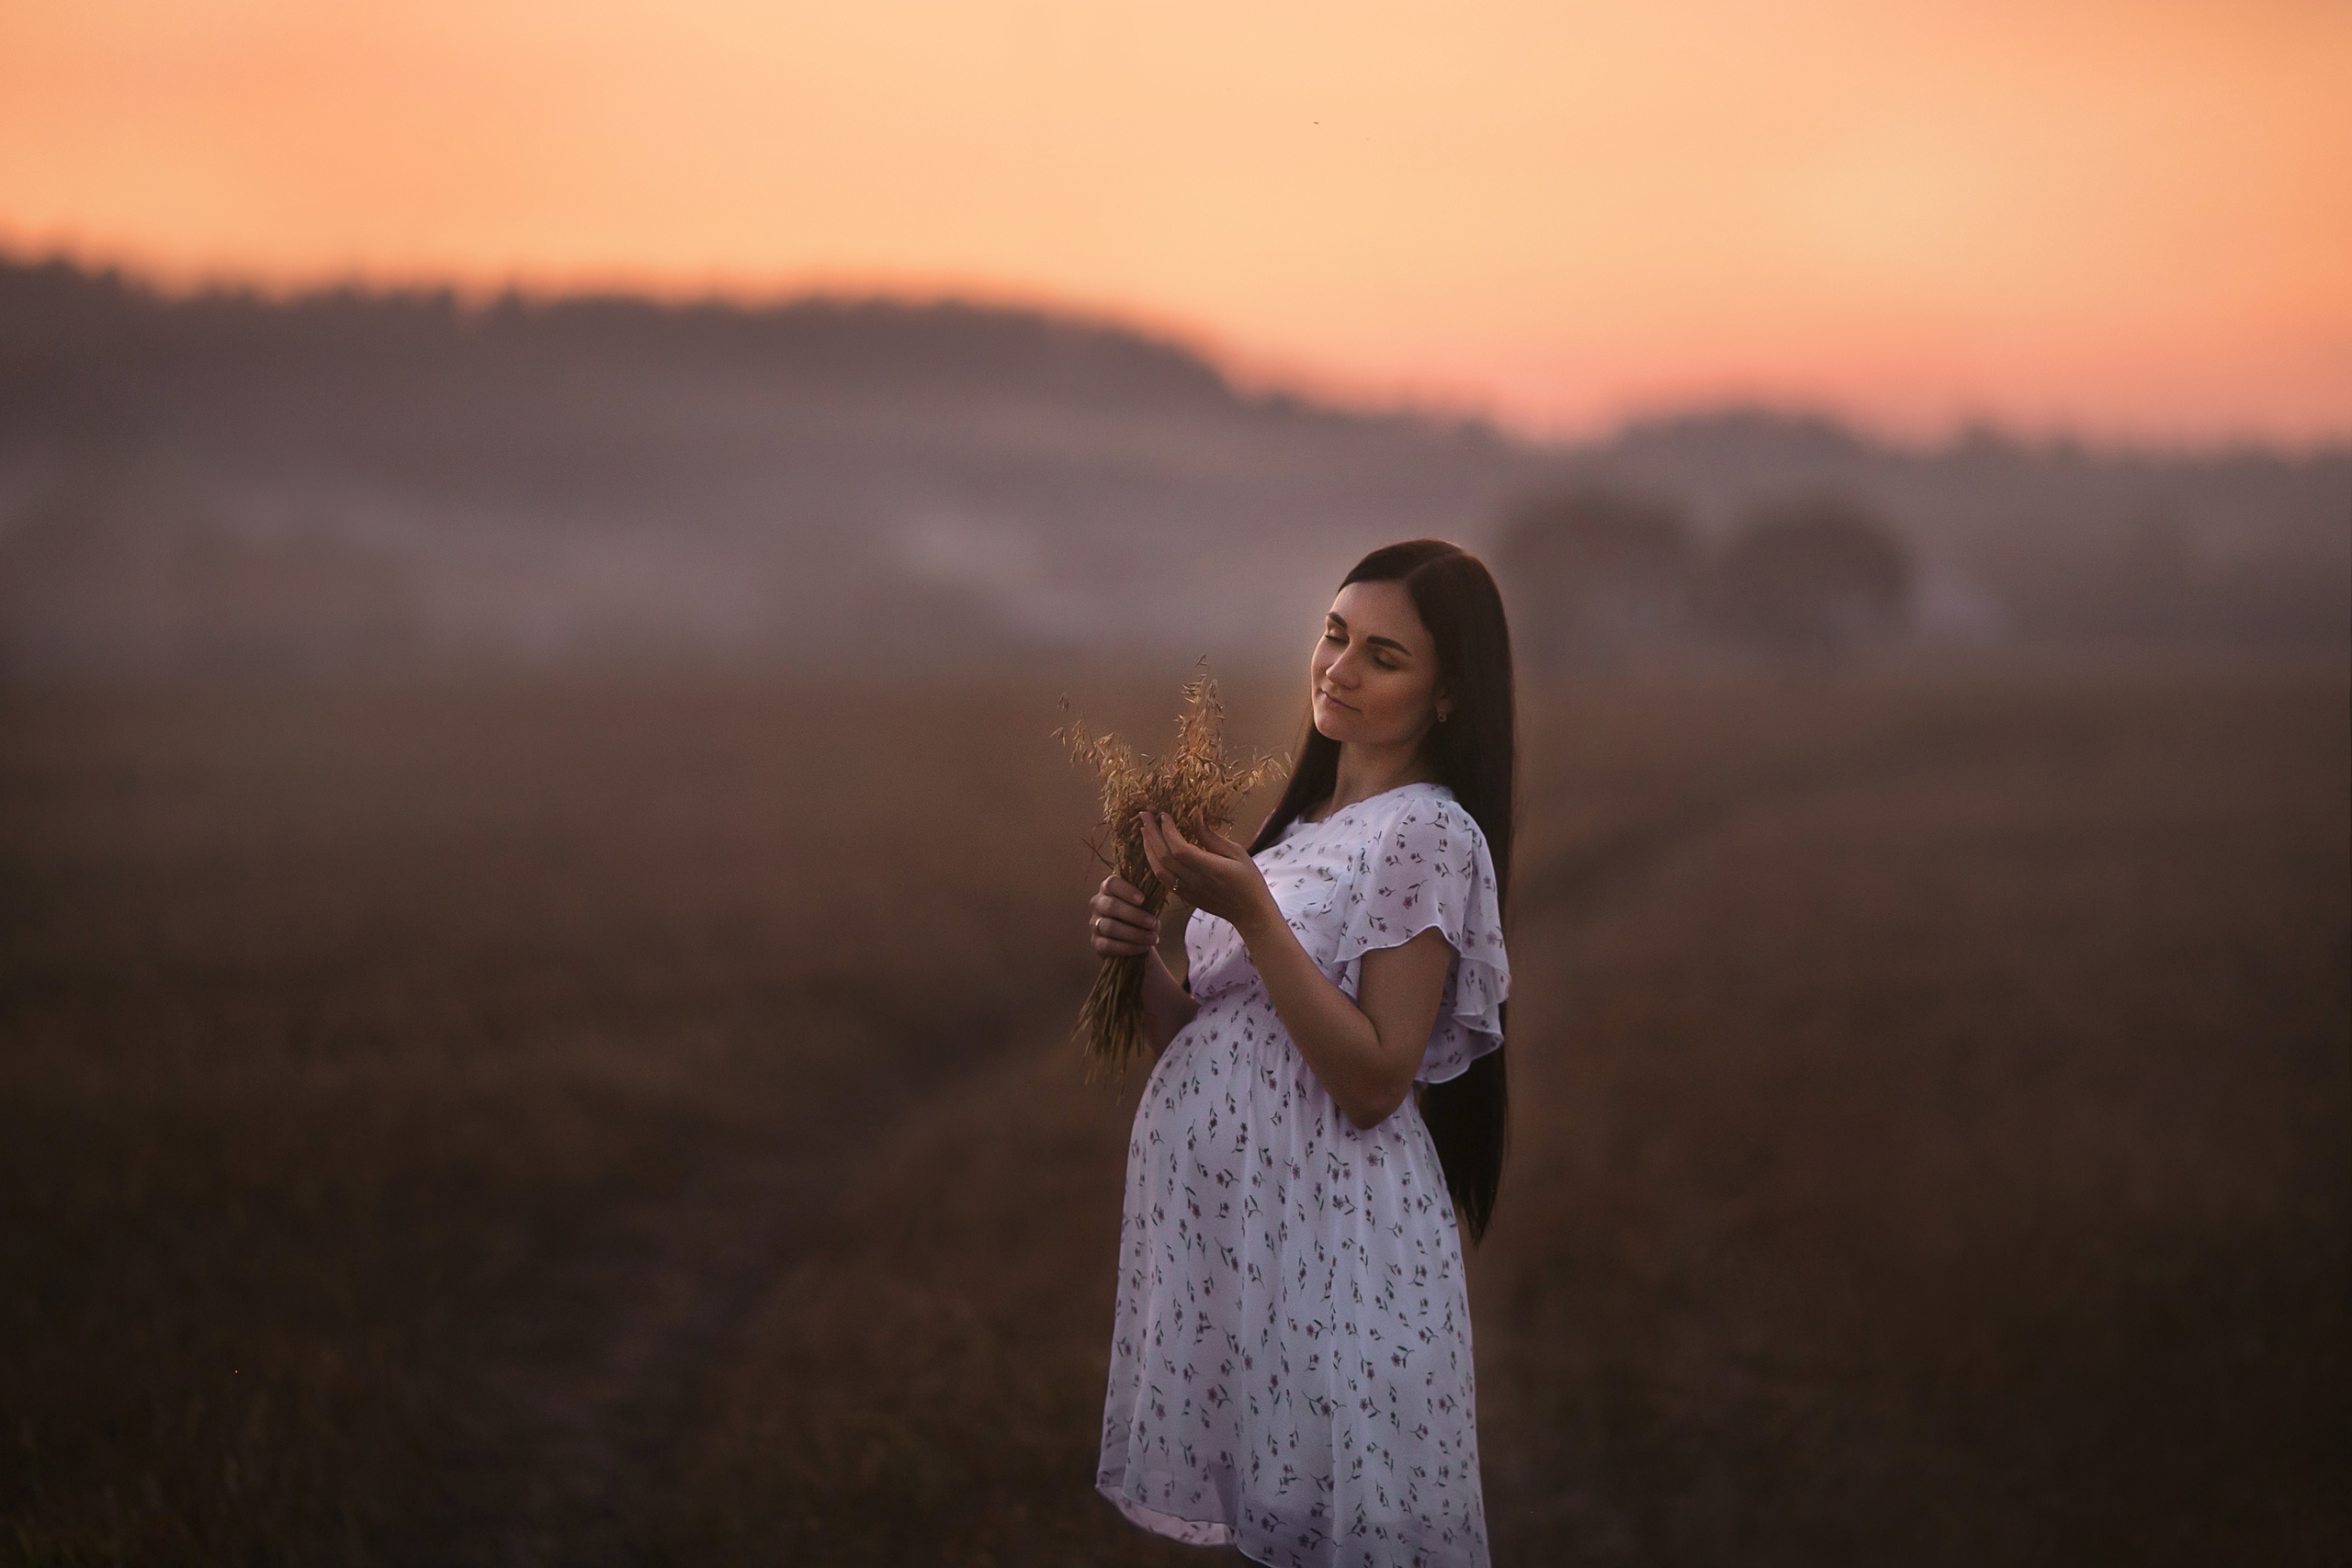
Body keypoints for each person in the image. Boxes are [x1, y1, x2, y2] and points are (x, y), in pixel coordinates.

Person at [1087, 539, 1515, 1567]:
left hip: (1341, 1242)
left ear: (1448, 695)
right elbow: (1208, 1048)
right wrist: (1137, 951)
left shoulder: (1426, 835)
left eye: (1382, 656)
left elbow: (1373, 1078)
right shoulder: (1296, 831)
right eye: (1333, 636)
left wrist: (1254, 915)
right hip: (1250, 1248)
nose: (1338, 668)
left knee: (1351, 1539)